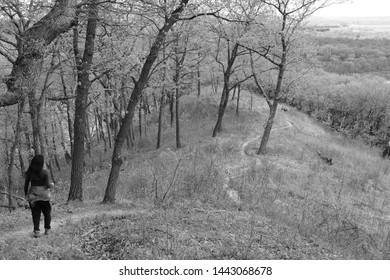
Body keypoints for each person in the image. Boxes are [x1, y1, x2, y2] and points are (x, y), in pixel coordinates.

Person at [24, 155, 54, 238]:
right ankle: (47, 230)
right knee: (47, 212)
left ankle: (36, 231)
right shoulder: (44, 172)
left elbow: (26, 185)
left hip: (33, 196)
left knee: (35, 214)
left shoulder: (29, 172)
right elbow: (47, 185)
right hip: (44, 196)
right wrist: (52, 185)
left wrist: (26, 195)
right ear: (41, 163)